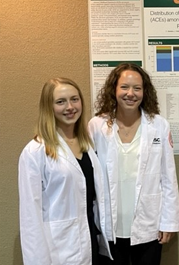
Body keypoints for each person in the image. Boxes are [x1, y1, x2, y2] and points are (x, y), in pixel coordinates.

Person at [89, 63, 179, 265]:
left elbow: (168, 177)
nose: (130, 93)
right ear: (114, 90)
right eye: (124, 87)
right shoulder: (97, 125)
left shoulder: (158, 125)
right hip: (110, 222)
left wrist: (169, 222)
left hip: (148, 223)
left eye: (137, 88)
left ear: (144, 92)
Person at [18, 77, 111, 265]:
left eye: (74, 99)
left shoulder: (86, 145)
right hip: (59, 250)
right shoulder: (35, 151)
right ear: (49, 107)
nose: (70, 107)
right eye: (60, 102)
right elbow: (30, 216)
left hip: (91, 241)